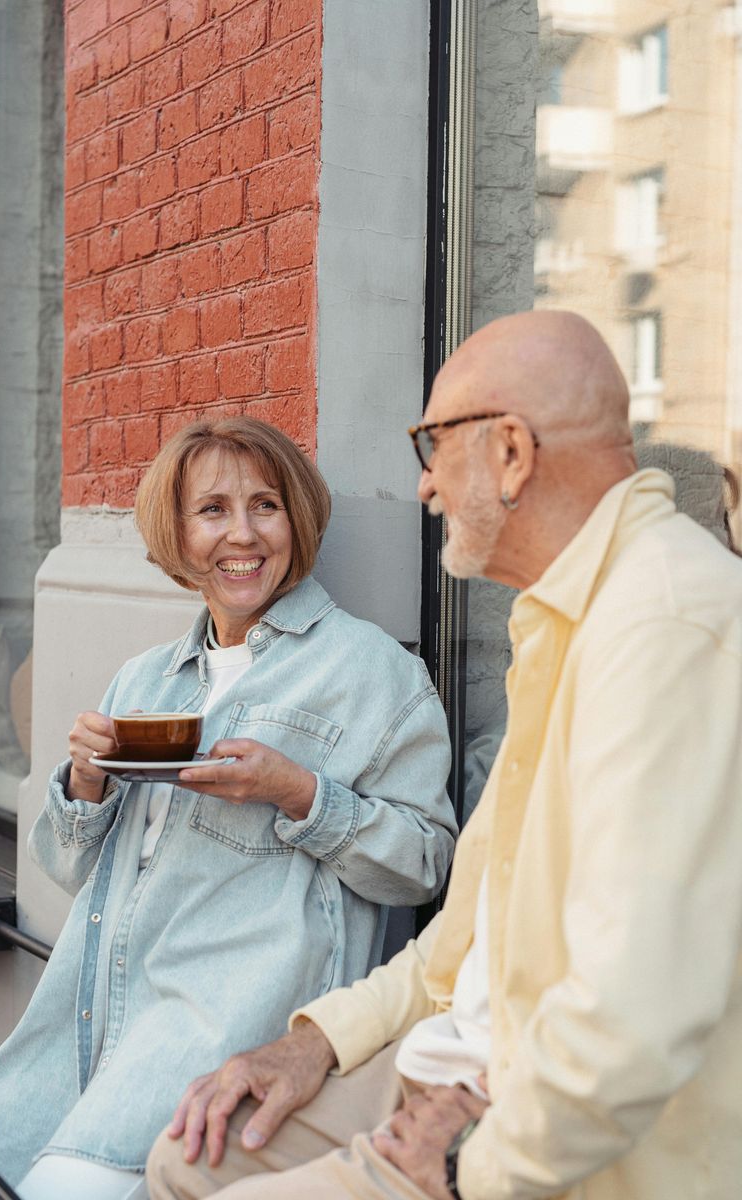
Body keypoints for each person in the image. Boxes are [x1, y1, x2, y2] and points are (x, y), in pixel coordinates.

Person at [146, 311, 742, 1200]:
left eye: (433, 443)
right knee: (189, 1155)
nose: (423, 486)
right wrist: (313, 1041)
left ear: (510, 453)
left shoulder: (666, 625)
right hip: (453, 1061)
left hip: (542, 1126)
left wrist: (469, 1163)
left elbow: (633, 1021)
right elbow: (451, 957)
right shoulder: (561, 622)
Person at [0, 417, 457, 1199]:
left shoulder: (374, 672)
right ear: (178, 532)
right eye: (212, 511)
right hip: (80, 1034)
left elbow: (424, 865)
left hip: (217, 1044)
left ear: (298, 518)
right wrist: (84, 783)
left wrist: (299, 793)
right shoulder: (147, 680)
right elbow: (68, 869)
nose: (243, 535)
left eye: (266, 505)